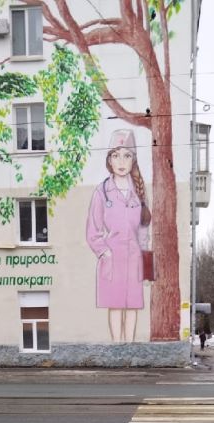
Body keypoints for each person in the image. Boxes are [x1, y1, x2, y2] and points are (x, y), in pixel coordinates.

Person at [86, 129, 151, 343]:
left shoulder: (139, 192)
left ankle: (130, 348)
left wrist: (144, 258)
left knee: (132, 305)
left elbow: (144, 230)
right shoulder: (101, 192)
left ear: (133, 160)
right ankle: (117, 349)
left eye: (127, 155)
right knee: (115, 305)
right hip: (112, 258)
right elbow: (93, 231)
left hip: (134, 259)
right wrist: (105, 253)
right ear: (109, 161)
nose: (121, 161)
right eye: (116, 155)